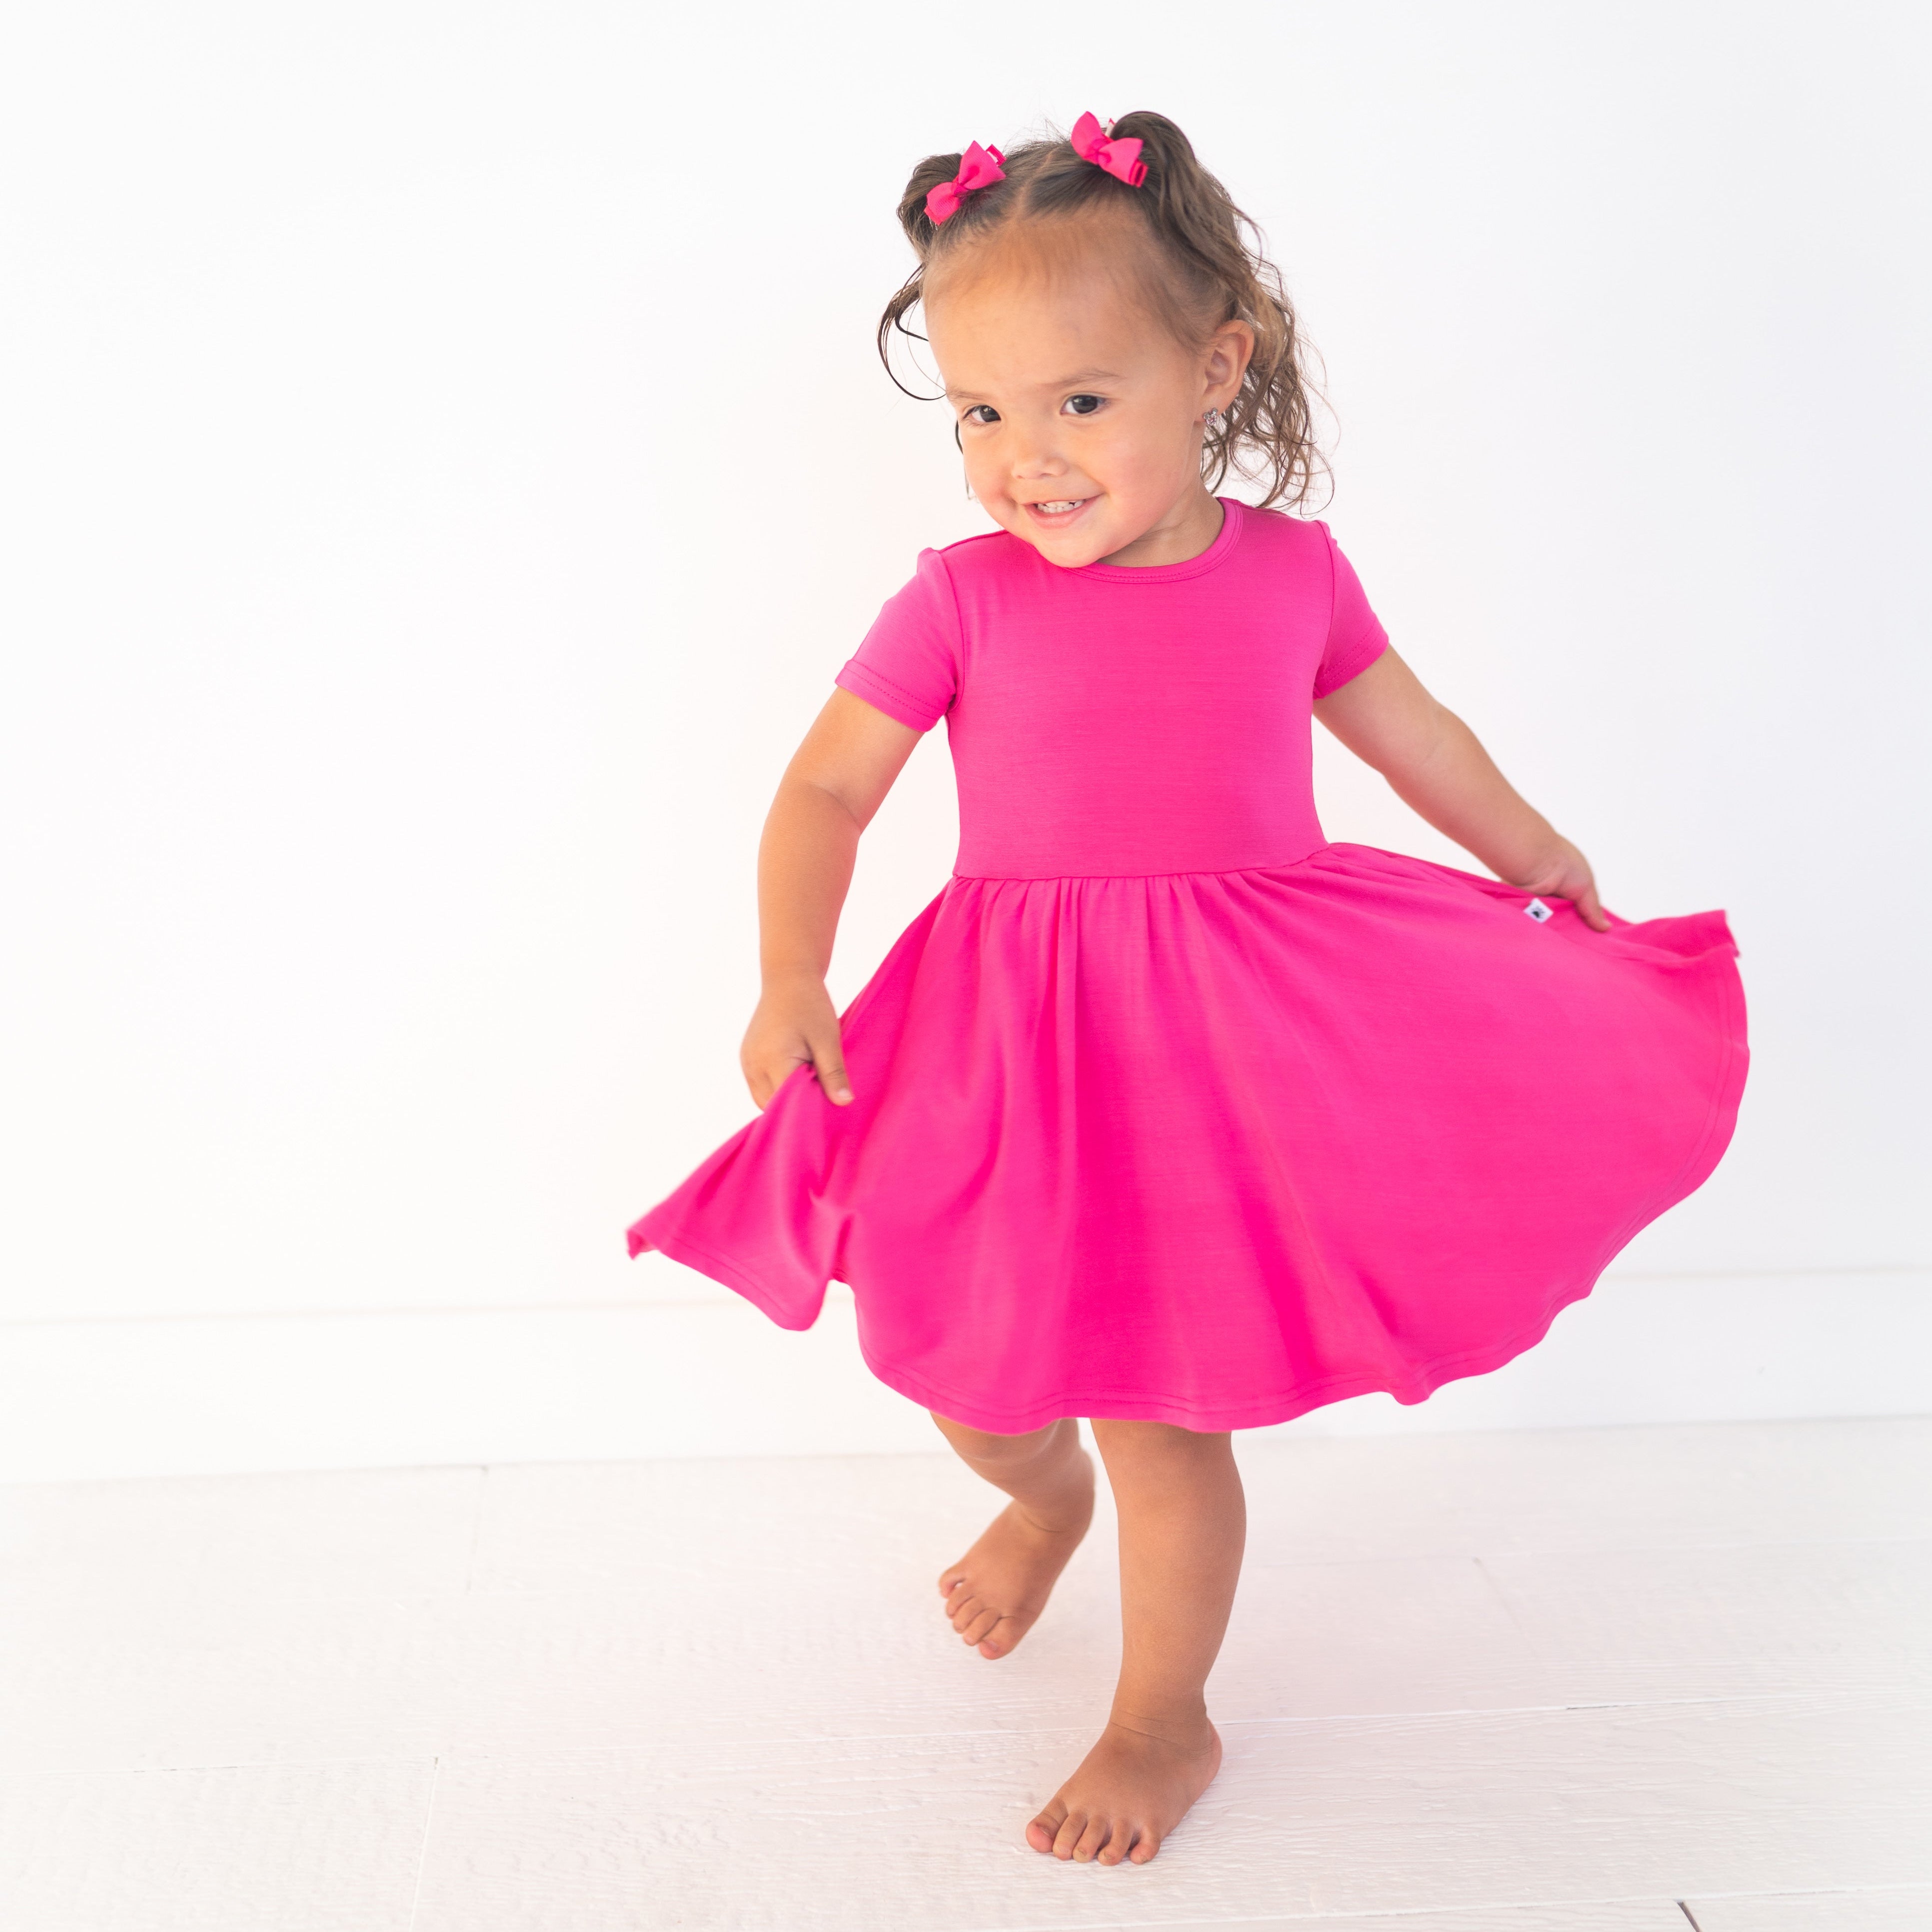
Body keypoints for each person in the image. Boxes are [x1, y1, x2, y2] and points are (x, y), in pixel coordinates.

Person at [627, 111, 1749, 1868]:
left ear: (1213, 362)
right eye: (983, 415)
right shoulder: (957, 601)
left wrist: (1531, 853)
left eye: (1078, 403)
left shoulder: (1290, 576)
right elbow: (826, 788)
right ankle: (1036, 1499)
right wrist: (791, 968)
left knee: (1161, 1404)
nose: (1024, 459)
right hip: (1005, 1042)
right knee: (969, 1376)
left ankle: (1163, 1710)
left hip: (1223, 1045)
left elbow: (1411, 736)